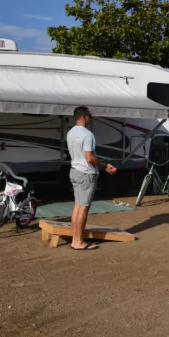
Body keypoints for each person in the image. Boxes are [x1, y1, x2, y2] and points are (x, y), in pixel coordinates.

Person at [66, 106, 116, 250]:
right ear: (84, 116)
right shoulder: (88, 134)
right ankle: (78, 242)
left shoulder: (70, 133)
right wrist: (104, 165)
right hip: (86, 173)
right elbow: (89, 158)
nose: (91, 118)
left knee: (77, 206)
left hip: (74, 170)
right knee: (83, 208)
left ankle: (75, 239)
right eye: (90, 115)